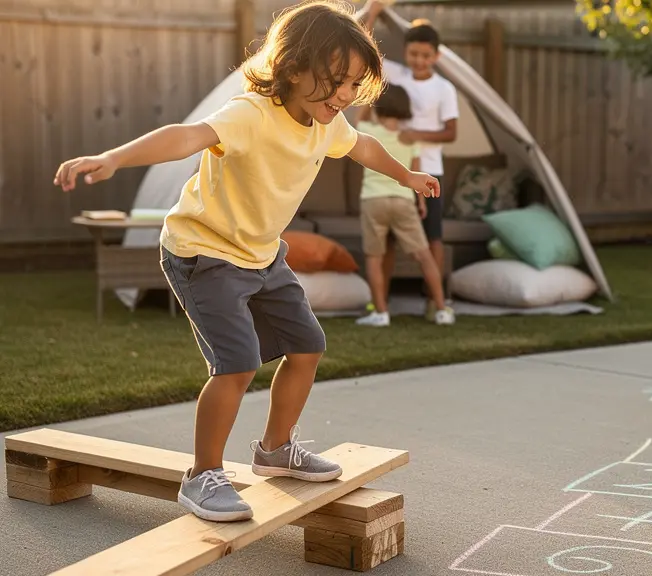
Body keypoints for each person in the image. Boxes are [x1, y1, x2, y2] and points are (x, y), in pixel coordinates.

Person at [52, 0, 439, 522]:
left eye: (353, 85)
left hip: (261, 254)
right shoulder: (252, 113)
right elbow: (186, 137)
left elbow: (365, 146)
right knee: (237, 363)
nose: (345, 96)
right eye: (336, 82)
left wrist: (406, 176)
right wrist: (114, 158)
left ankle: (275, 449)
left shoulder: (329, 122)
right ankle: (202, 475)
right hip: (202, 251)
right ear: (294, 67)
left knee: (307, 346)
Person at [362, 2, 458, 321]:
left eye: (426, 56)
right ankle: (382, 303)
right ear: (406, 52)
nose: (419, 61)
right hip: (396, 170)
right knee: (386, 243)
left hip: (429, 169)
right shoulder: (398, 76)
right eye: (414, 54)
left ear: (436, 56)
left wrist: (414, 135)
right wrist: (373, 12)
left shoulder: (444, 88)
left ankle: (436, 302)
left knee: (432, 238)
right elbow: (367, 61)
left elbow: (450, 133)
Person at [354, 84, 454, 326]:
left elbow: (359, 117)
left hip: (373, 201)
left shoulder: (368, 131)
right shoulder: (410, 139)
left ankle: (380, 313)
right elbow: (417, 173)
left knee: (374, 257)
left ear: (379, 106)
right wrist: (421, 202)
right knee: (424, 256)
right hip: (403, 201)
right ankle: (441, 309)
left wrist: (371, 93)